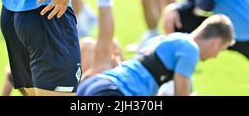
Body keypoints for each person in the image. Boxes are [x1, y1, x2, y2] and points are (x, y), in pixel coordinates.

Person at [77, 14, 235, 96]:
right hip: (114, 91)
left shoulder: (163, 39)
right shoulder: (190, 49)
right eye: (220, 50)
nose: (215, 56)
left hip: (94, 84)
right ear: (216, 42)